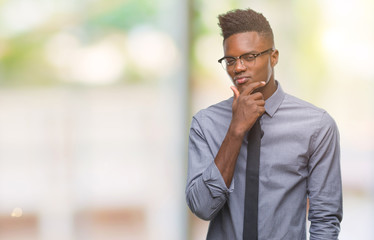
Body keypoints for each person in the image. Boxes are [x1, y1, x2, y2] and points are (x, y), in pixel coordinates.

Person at [185, 8, 342, 240]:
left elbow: (325, 219)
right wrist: (235, 131)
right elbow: (202, 208)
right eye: (230, 60)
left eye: (249, 57)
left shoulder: (316, 126)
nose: (238, 67)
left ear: (274, 57)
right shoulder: (205, 124)